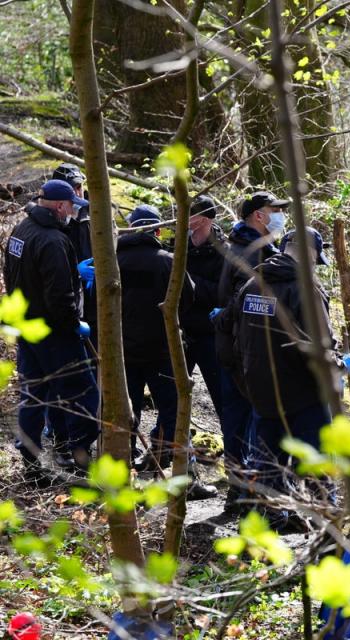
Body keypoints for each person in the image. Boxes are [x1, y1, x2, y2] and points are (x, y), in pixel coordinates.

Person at [233, 227, 336, 526]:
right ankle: (325, 532)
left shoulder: (252, 283)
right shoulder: (307, 289)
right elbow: (321, 344)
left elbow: (237, 336)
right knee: (316, 464)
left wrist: (248, 380)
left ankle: (267, 529)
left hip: (262, 392)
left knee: (268, 464)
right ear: (311, 253)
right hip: (303, 395)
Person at [3, 180, 99, 484]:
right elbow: (60, 296)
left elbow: (10, 275)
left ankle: (31, 462)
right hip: (56, 334)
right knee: (83, 393)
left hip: (27, 327)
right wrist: (74, 324)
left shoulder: (21, 230)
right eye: (72, 205)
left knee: (34, 394)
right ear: (60, 206)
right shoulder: (53, 241)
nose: (73, 210)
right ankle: (81, 459)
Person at [117, 205, 216, 499]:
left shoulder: (112, 262)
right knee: (176, 414)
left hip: (123, 354)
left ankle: (121, 482)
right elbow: (187, 298)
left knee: (123, 417)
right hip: (163, 352)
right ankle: (185, 481)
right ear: (159, 231)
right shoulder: (168, 262)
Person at [212, 190, 287, 511]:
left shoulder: (247, 247)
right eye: (275, 210)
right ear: (259, 215)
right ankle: (245, 493)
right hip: (245, 354)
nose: (280, 216)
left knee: (241, 420)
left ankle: (242, 489)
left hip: (239, 350)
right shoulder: (252, 254)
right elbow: (246, 309)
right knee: (248, 422)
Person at [179, 195, 225, 419]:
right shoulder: (178, 247)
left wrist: (189, 282)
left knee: (223, 397)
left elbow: (222, 294)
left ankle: (234, 452)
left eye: (191, 214)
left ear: (206, 219)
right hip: (181, 332)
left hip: (211, 335)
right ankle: (163, 448)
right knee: (173, 397)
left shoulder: (225, 252)